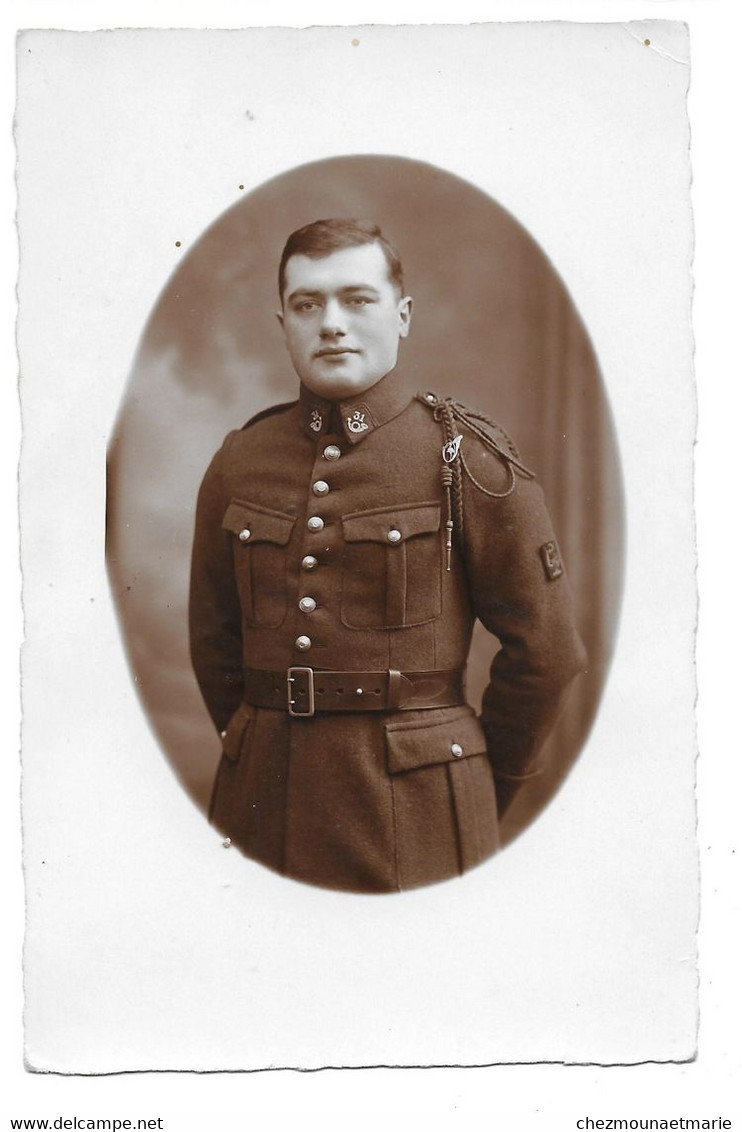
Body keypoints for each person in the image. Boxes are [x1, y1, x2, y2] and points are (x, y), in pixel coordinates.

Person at [189, 218, 586, 894]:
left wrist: (473, 791)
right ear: (282, 320)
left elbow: (547, 655)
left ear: (401, 317)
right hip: (261, 811)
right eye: (308, 304)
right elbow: (214, 642)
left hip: (419, 814)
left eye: (358, 300)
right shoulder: (240, 462)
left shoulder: (467, 460)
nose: (332, 323)